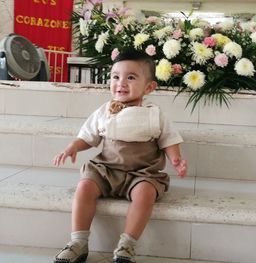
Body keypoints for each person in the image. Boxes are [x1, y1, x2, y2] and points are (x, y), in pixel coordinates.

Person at [52, 50, 187, 263]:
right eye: (116, 77)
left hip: (142, 173)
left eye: (131, 77)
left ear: (149, 87)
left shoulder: (154, 113)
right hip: (106, 169)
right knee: (84, 187)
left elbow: (169, 139)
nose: (121, 83)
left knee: (145, 195)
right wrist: (73, 147)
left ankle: (127, 245)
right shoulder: (104, 110)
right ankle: (78, 242)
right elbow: (89, 136)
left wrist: (176, 159)